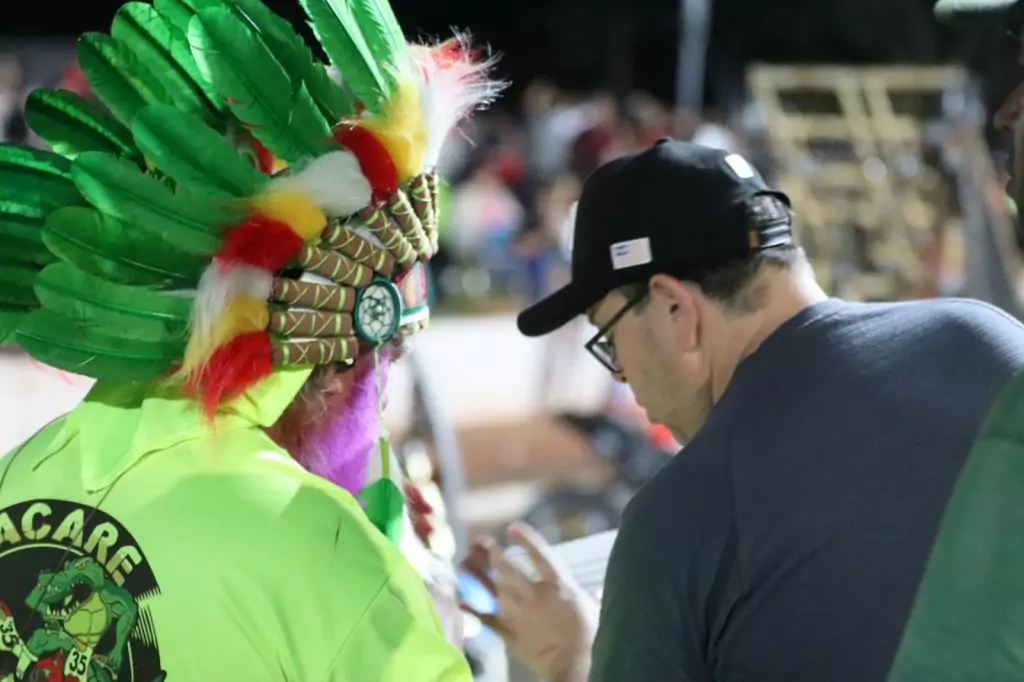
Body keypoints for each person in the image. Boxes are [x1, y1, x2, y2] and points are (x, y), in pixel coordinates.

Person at [0, 0, 503, 680]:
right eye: (383, 365)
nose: (378, 405)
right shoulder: (311, 539)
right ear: (336, 367)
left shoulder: (22, 472)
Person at [466, 138, 1024, 681]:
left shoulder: (678, 521)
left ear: (674, 307)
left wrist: (573, 662)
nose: (621, 373)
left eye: (608, 338)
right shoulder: (985, 342)